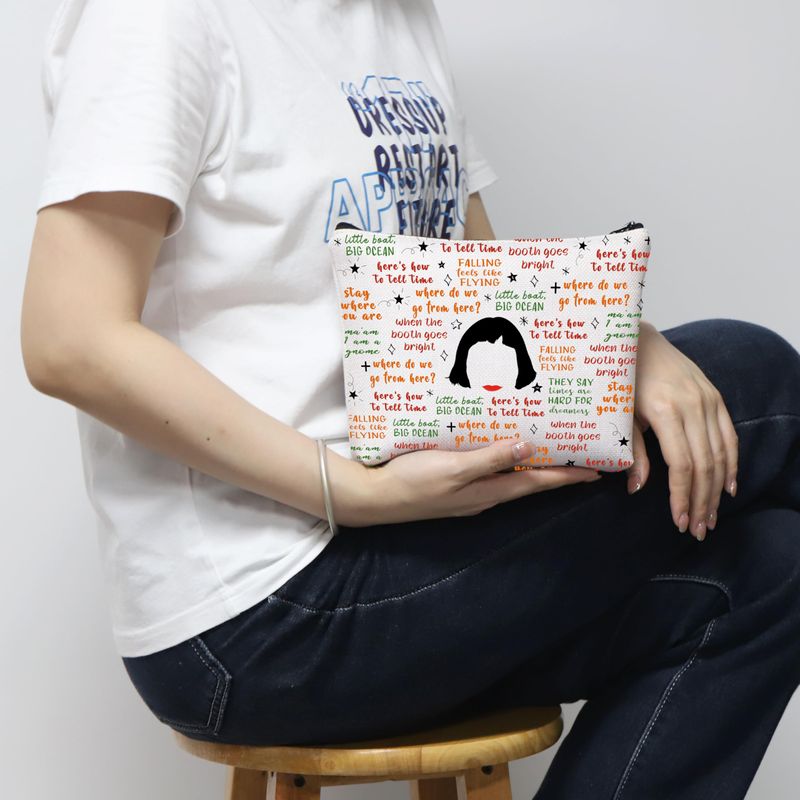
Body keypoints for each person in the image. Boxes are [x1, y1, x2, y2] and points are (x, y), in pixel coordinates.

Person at [21, 0, 800, 797]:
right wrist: (351, 491)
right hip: (259, 610)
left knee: (770, 567)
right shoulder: (158, 16)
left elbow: (483, 292)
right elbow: (67, 339)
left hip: (414, 537)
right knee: (760, 372)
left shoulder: (400, 19)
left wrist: (626, 343)